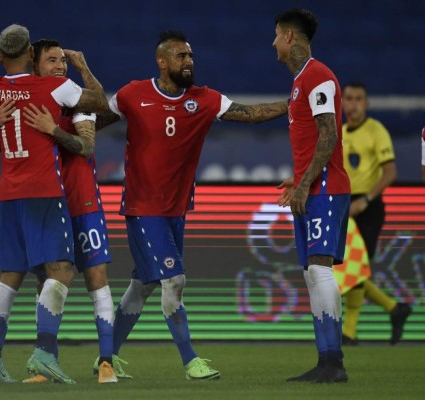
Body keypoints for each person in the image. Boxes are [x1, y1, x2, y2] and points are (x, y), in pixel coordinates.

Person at [94, 30, 289, 381]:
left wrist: (294, 103)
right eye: (181, 56)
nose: (189, 62)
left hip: (176, 209)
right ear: (162, 61)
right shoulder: (131, 95)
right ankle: (190, 361)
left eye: (190, 56)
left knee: (144, 285)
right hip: (143, 206)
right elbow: (91, 123)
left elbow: (252, 113)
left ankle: (106, 357)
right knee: (175, 279)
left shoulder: (204, 99)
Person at [0, 24, 108, 384]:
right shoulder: (54, 87)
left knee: (9, 277)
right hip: (43, 193)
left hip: (8, 196)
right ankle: (44, 354)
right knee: (62, 271)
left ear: (0, 57)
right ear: (33, 56)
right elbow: (99, 102)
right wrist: (81, 69)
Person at [21, 38, 118, 384]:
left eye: (63, 60)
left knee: (96, 279)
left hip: (83, 205)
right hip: (47, 205)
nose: (60, 66)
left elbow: (88, 144)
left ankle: (106, 361)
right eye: (52, 60)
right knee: (44, 282)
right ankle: (47, 362)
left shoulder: (76, 105)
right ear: (35, 66)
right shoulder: (30, 106)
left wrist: (83, 68)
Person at [274, 9, 350, 383]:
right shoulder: (301, 82)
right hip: (313, 186)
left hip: (325, 188)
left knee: (320, 268)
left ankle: (334, 362)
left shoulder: (317, 76)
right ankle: (325, 361)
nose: (273, 44)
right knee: (311, 273)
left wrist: (306, 184)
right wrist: (299, 179)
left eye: (276, 36)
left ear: (289, 36)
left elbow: (329, 135)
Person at [340, 82, 412, 346]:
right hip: (345, 205)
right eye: (349, 98)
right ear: (343, 102)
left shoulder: (376, 130)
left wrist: (367, 200)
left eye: (359, 99)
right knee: (348, 267)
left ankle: (349, 332)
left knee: (354, 268)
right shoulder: (341, 131)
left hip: (369, 207)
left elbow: (390, 172)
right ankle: (394, 308)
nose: (354, 103)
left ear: (367, 103)